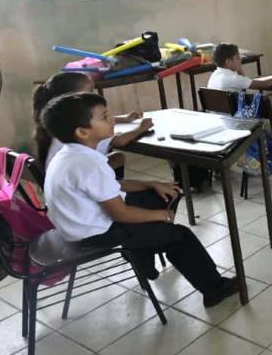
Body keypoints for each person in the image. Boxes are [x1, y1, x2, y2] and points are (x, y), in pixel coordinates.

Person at [41, 93, 240, 307]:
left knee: (167, 193)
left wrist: (151, 184)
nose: (111, 120)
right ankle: (214, 289)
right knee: (181, 236)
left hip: (83, 225)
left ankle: (144, 254)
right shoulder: (88, 165)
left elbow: (111, 186)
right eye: (104, 116)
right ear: (82, 132)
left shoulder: (71, 154)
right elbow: (121, 213)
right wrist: (161, 215)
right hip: (97, 233)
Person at [33, 72, 152, 175]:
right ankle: (114, 190)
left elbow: (92, 120)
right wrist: (141, 128)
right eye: (90, 91)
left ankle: (114, 186)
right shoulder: (85, 132)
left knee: (117, 158)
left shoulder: (61, 120)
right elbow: (119, 141)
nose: (94, 95)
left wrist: (124, 119)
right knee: (115, 159)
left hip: (63, 178)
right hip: (76, 182)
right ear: (72, 98)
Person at [207, 43, 272, 93]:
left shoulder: (214, 75)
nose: (241, 60)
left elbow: (244, 80)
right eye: (238, 58)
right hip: (234, 113)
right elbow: (266, 84)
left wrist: (238, 68)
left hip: (216, 112)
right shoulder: (233, 79)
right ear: (228, 61)